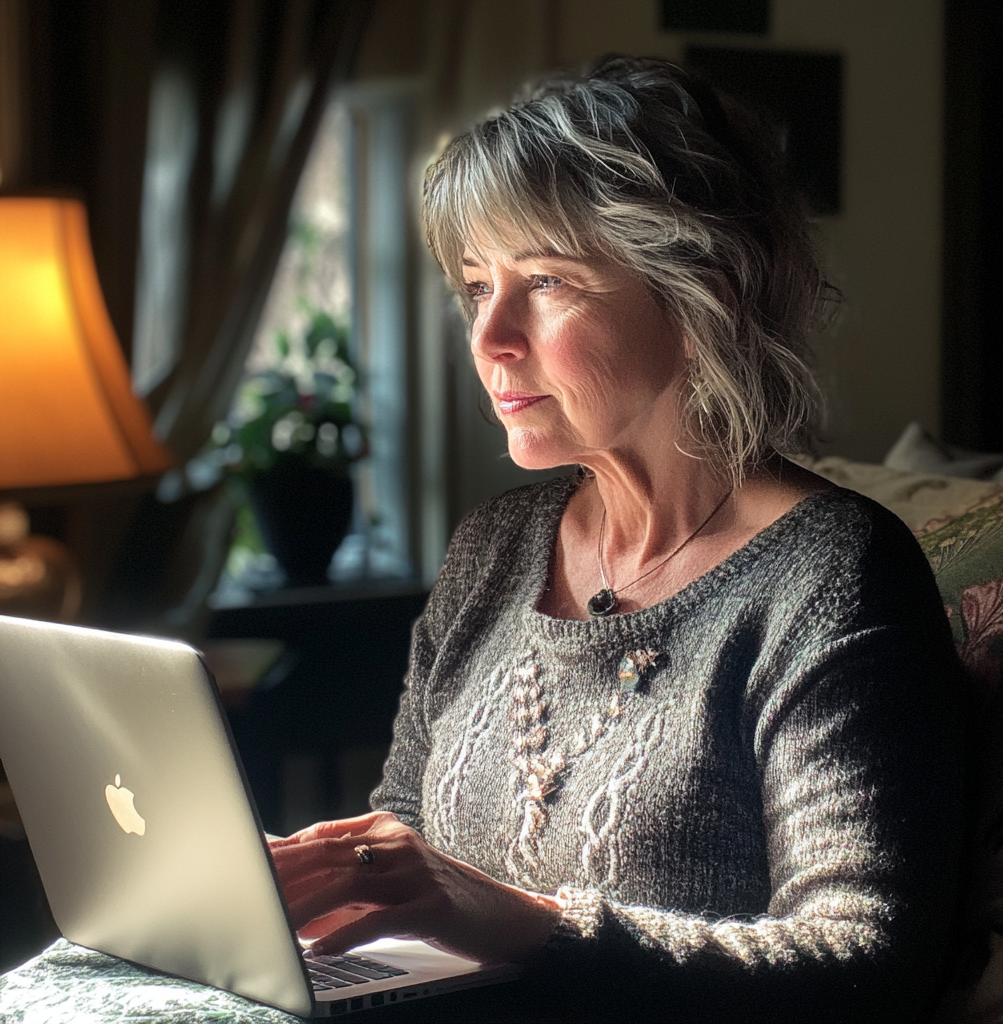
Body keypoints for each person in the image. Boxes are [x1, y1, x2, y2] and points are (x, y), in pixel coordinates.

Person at [271, 56, 963, 1023]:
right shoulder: (496, 547)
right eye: (477, 287)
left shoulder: (831, 575)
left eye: (546, 280)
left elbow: (861, 960)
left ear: (700, 294)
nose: (491, 336)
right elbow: (415, 820)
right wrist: (330, 876)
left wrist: (524, 923)